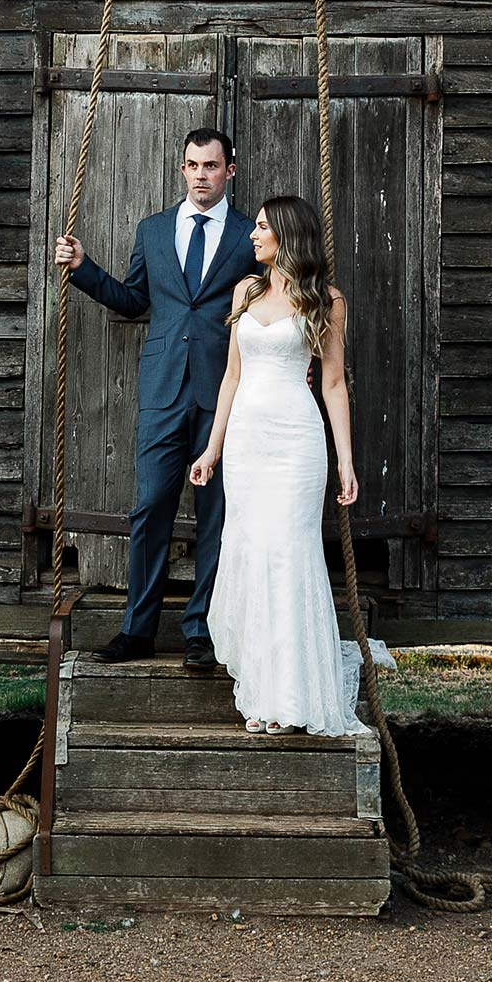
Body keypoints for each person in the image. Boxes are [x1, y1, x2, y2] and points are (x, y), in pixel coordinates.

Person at [54, 128, 255, 670]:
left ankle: (201, 632)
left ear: (229, 170)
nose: (200, 175)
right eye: (191, 165)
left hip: (224, 395)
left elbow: (271, 304)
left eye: (211, 166)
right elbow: (133, 299)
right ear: (181, 168)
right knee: (149, 510)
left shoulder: (248, 234)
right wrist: (84, 270)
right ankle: (137, 630)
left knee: (217, 516)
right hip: (163, 391)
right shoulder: (153, 229)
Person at [191, 195, 365, 738]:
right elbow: (231, 378)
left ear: (288, 235)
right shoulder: (247, 290)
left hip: (296, 441)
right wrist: (212, 449)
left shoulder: (326, 301)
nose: (253, 235)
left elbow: (333, 383)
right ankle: (262, 693)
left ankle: (292, 695)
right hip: (246, 440)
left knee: (290, 556)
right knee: (253, 553)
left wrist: (346, 461)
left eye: (262, 228)